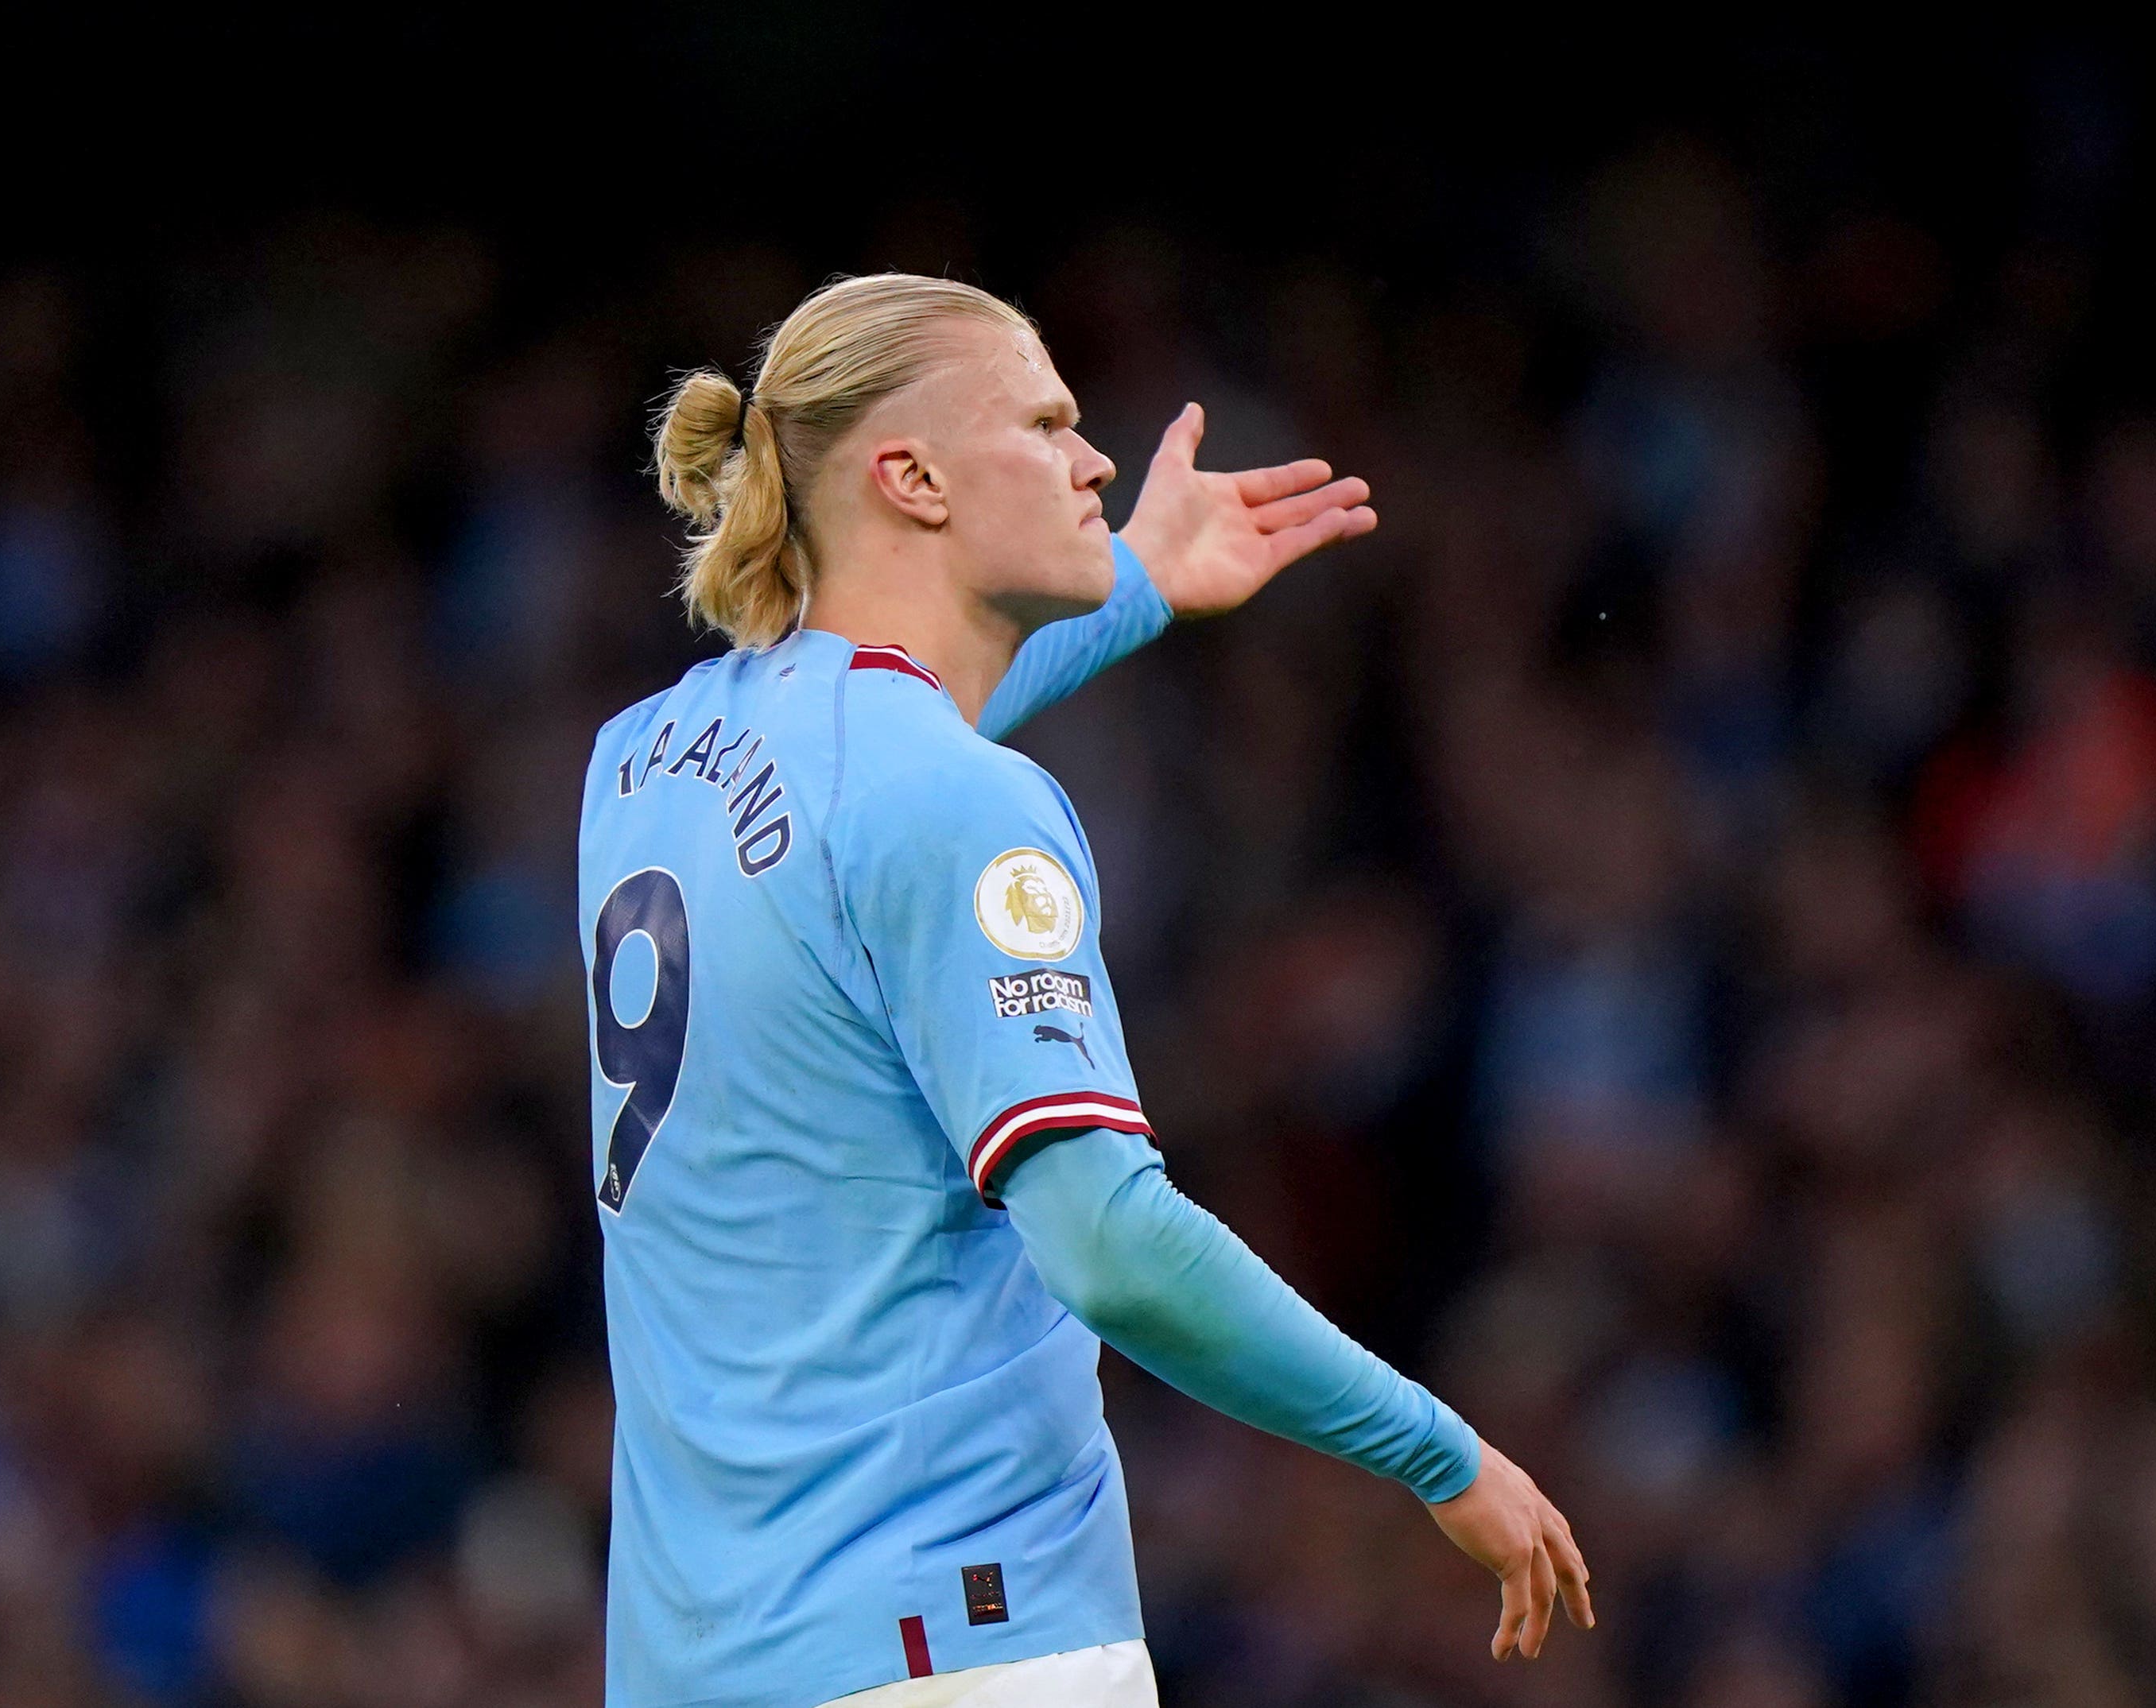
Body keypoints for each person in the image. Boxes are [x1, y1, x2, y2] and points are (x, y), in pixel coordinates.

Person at [579, 273, 1592, 1708]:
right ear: (911, 475)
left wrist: (1142, 577)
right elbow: (1108, 1242)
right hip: (950, 1636)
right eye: (1047, 422)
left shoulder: (639, 761)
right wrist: (1434, 1446)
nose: (1098, 459)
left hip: (699, 1656)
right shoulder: (966, 802)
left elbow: (865, 766)